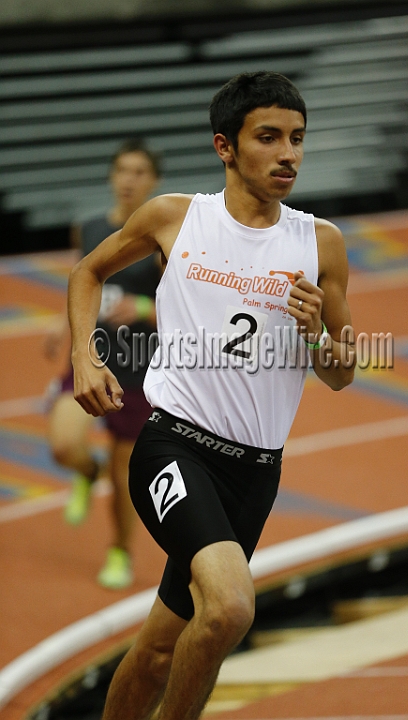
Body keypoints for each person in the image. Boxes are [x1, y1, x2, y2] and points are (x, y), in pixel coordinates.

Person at [68, 72, 356, 720]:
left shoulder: (322, 245)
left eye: (298, 139)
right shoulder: (176, 218)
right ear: (225, 146)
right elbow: (88, 272)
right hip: (175, 447)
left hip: (255, 475)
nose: (289, 154)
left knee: (158, 651)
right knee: (228, 607)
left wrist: (315, 338)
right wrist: (83, 356)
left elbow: (343, 371)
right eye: (269, 137)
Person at [45, 138, 162, 590]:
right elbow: (84, 282)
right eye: (123, 170)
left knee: (125, 477)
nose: (129, 179)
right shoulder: (90, 227)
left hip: (136, 370)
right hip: (91, 358)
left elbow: (184, 308)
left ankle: (120, 552)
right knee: (62, 445)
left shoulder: (162, 238)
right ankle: (85, 471)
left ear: (154, 181)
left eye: (139, 172)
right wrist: (62, 323)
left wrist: (142, 307)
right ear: (112, 176)